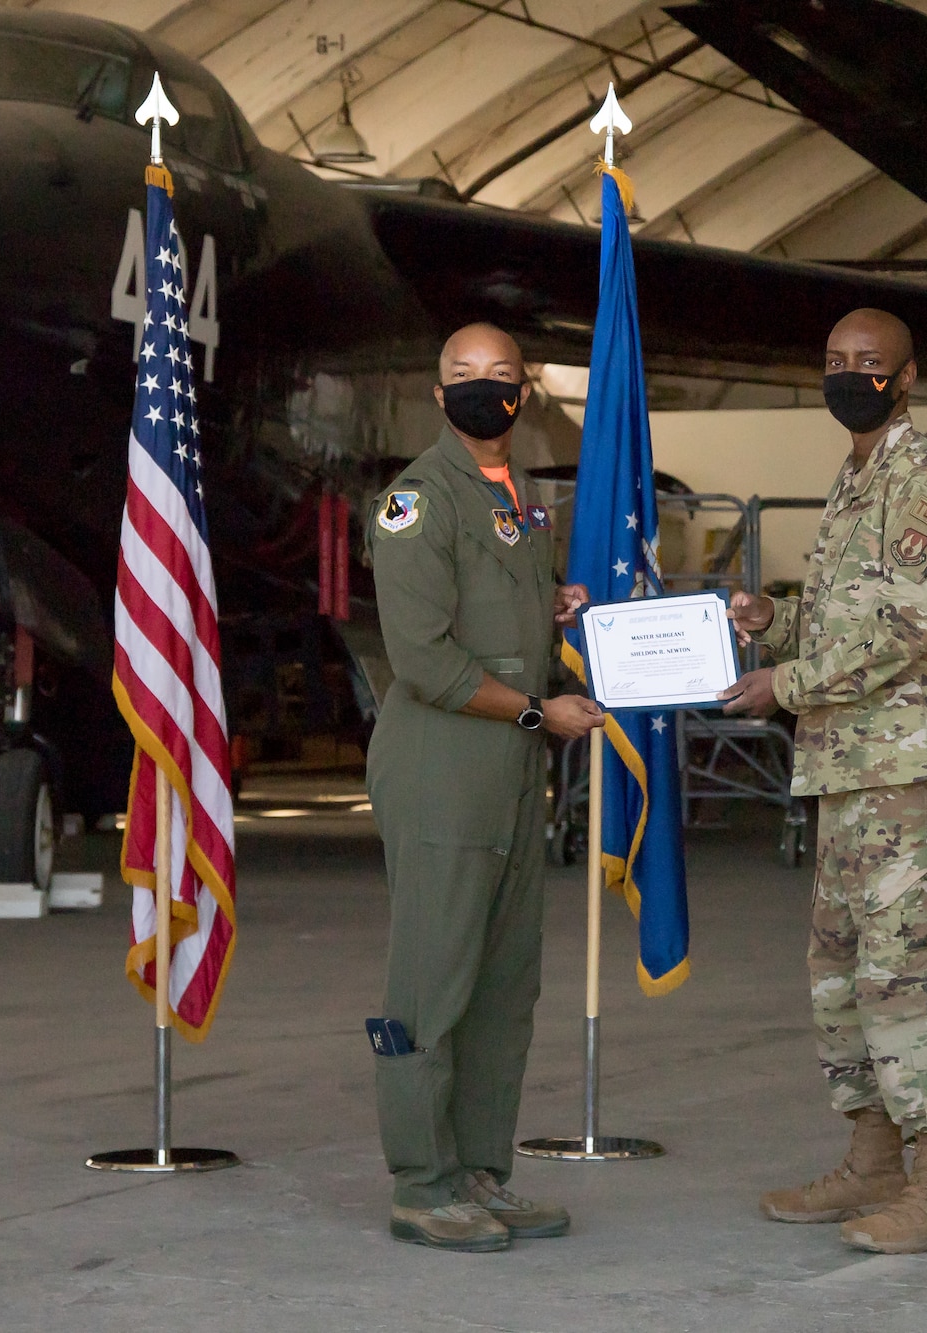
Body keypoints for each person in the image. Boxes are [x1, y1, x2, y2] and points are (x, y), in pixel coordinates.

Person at [721, 308, 927, 1255]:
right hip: (851, 771)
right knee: (842, 974)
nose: (850, 375)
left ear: (907, 377)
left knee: (909, 974)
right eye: (834, 361)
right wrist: (779, 621)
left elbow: (906, 626)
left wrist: (784, 681)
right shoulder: (854, 479)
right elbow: (852, 617)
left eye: (868, 364)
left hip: (911, 771)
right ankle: (873, 1163)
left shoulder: (923, 480)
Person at [366, 322, 605, 1252]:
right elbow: (424, 658)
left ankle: (479, 1171)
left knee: (506, 981)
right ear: (438, 394)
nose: (482, 388)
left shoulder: (517, 495)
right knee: (432, 977)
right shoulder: (417, 499)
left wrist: (546, 609)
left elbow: (489, 614)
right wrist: (541, 710)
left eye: (500, 375)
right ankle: (421, 1181)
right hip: (445, 760)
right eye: (462, 374)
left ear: (524, 392)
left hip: (507, 762)